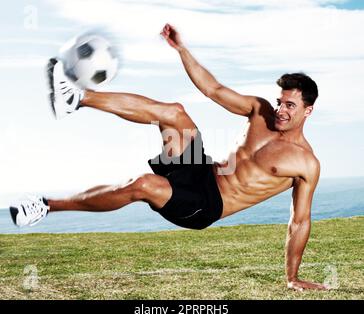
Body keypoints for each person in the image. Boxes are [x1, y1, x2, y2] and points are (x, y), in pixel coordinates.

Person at [9, 24, 327, 291]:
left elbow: (299, 221)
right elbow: (213, 90)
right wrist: (182, 50)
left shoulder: (305, 163)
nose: (281, 111)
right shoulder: (260, 111)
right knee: (174, 112)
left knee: (144, 184)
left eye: (290, 106)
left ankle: (45, 206)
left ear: (308, 110)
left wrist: (293, 277)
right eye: (280, 102)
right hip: (201, 170)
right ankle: (76, 98)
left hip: (206, 205)